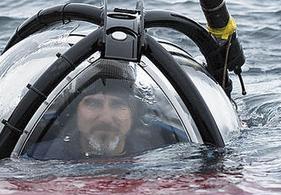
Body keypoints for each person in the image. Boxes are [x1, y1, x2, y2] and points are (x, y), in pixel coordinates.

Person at [24, 61, 183, 160]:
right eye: (93, 104)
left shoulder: (165, 151)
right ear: (73, 113)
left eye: (117, 105)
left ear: (134, 115)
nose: (105, 118)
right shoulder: (41, 157)